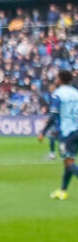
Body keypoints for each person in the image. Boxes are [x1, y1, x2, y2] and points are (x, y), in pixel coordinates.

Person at [52, 68, 78, 200]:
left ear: (60, 79)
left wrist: (43, 131)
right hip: (77, 130)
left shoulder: (58, 93)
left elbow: (54, 114)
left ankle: (62, 190)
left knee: (68, 162)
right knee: (68, 161)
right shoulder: (76, 93)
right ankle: (63, 190)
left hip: (67, 131)